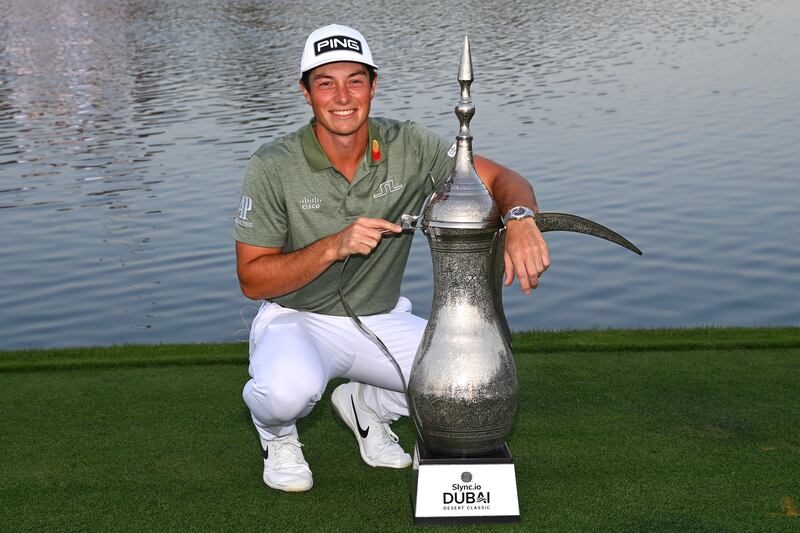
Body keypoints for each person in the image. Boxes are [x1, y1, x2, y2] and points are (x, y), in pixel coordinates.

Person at [233, 24, 549, 493]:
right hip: (295, 318)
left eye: (355, 80)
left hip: (380, 318)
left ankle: (368, 407)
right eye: (325, 83)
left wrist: (521, 218)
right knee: (284, 394)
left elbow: (501, 177)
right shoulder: (272, 164)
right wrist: (333, 246)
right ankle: (276, 437)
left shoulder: (409, 144)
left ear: (373, 86)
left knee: (465, 377)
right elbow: (253, 281)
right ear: (305, 93)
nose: (342, 96)